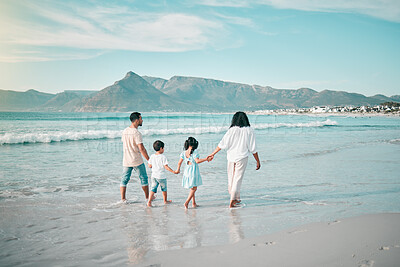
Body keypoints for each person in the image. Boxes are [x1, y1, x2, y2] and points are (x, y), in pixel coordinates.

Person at [208, 111, 261, 208]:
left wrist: (212, 154)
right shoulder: (249, 130)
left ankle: (236, 198)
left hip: (231, 157)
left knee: (231, 178)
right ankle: (232, 201)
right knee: (237, 179)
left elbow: (222, 144)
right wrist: (257, 161)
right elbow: (253, 148)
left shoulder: (231, 130)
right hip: (242, 157)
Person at [120, 112, 151, 203]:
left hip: (126, 160)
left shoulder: (125, 131)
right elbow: (141, 148)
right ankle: (147, 198)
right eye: (141, 119)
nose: (142, 120)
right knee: (143, 178)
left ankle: (123, 199)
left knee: (124, 179)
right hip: (136, 160)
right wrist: (149, 160)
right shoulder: (137, 133)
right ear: (136, 120)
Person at [176, 137, 210, 209]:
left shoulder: (184, 152)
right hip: (193, 171)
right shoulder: (195, 151)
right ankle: (187, 202)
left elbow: (179, 163)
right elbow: (197, 161)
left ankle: (193, 203)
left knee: (192, 187)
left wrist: (178, 170)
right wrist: (206, 159)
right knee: (194, 188)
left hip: (187, 171)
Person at [147, 140, 178, 207]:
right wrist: (173, 171)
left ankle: (149, 201)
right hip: (161, 176)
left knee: (153, 189)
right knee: (164, 189)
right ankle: (165, 201)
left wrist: (153, 165)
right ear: (161, 148)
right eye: (163, 148)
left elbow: (149, 165)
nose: (164, 149)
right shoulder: (163, 157)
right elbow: (166, 167)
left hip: (154, 176)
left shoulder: (152, 156)